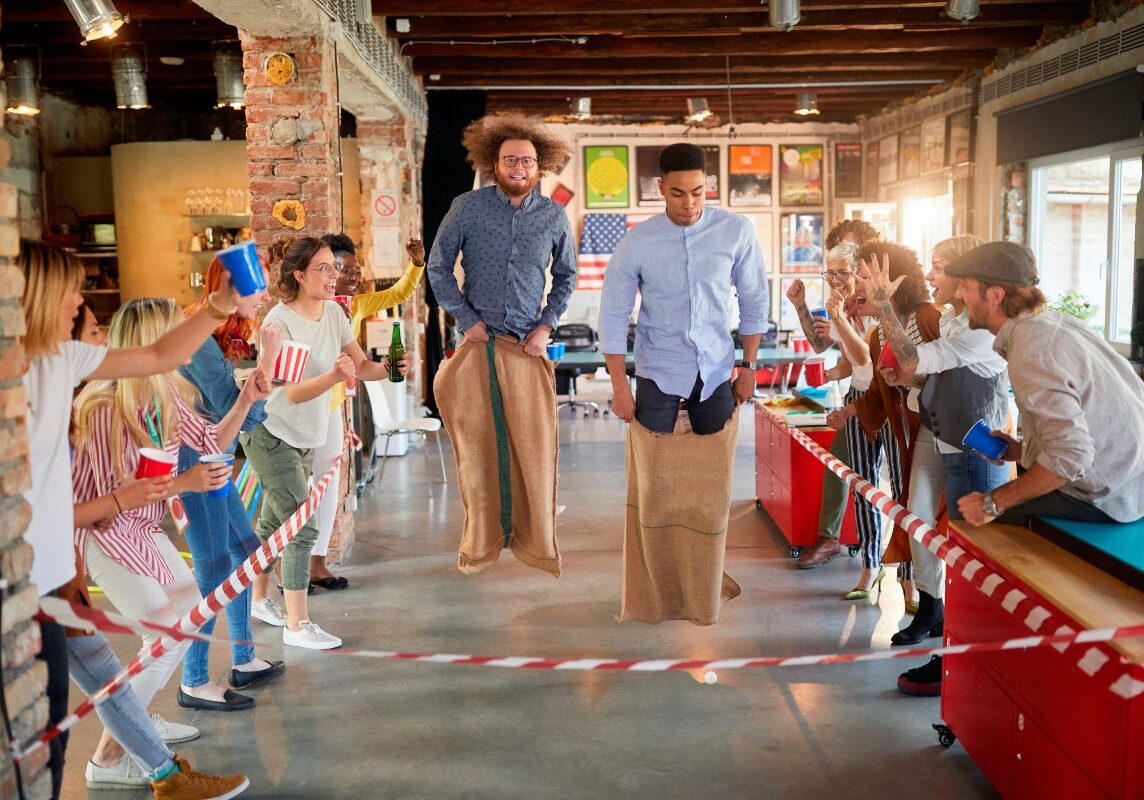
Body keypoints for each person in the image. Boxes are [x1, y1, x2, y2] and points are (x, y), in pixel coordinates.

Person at [20, 239, 249, 798]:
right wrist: (171, 487)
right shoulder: (97, 402)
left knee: (155, 639)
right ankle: (133, 755)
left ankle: (147, 757)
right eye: (71, 290)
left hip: (76, 557)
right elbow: (86, 509)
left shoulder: (86, 367)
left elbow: (164, 362)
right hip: (71, 552)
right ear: (38, 296)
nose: (81, 300)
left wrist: (222, 312)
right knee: (141, 649)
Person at [71, 298, 272, 772]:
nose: (189, 344)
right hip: (102, 536)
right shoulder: (102, 405)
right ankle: (107, 758)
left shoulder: (168, 392)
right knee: (166, 635)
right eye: (177, 334)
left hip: (142, 527)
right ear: (152, 343)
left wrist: (246, 399)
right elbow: (102, 505)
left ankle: (134, 720)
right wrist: (184, 484)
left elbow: (212, 446)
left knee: (183, 621)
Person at [599, 142, 768, 624]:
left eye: (697, 192)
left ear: (707, 186)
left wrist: (750, 367)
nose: (688, 203)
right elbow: (613, 314)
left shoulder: (735, 231)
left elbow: (755, 299)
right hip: (658, 372)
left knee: (710, 487)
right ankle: (657, 588)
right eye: (677, 193)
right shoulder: (637, 241)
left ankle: (703, 581)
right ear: (660, 190)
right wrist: (618, 385)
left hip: (716, 372)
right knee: (659, 488)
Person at [861, 235, 1012, 695]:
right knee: (921, 520)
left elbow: (922, 358)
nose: (932, 277)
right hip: (942, 430)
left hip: (972, 442)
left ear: (976, 284)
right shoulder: (952, 320)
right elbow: (929, 369)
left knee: (970, 548)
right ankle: (935, 614)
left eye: (941, 267)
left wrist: (885, 311)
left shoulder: (976, 330)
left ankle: (958, 662)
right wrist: (910, 377)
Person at [427, 112, 575, 576]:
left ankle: (536, 543)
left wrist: (546, 325)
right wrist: (466, 320)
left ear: (540, 166)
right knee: (478, 450)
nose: (518, 167)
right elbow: (437, 267)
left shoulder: (553, 216)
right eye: (510, 159)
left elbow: (567, 277)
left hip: (527, 351)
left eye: (527, 161)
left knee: (533, 449)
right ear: (494, 163)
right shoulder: (466, 208)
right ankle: (480, 544)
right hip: (478, 348)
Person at [242, 235, 399, 650]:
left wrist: (391, 369)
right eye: (325, 268)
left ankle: (258, 601)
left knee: (275, 523)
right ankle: (297, 625)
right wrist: (334, 375)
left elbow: (361, 366)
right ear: (299, 275)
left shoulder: (333, 313)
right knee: (300, 527)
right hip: (271, 432)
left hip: (305, 433)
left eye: (336, 267)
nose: (336, 275)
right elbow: (287, 392)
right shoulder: (279, 322)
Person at [948, 241, 1144, 527]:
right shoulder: (1050, 324)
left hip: (1109, 497)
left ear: (994, 295)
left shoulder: (1032, 350)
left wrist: (992, 503)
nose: (958, 294)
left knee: (970, 523)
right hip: (1131, 482)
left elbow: (1072, 457)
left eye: (965, 286)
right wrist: (1022, 449)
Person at [176, 258, 286, 711]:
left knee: (242, 553)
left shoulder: (218, 328)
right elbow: (228, 409)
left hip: (212, 453)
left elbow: (233, 405)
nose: (264, 294)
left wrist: (261, 375)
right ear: (229, 288)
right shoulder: (199, 332)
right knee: (214, 566)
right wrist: (272, 362)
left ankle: (242, 657)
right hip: (191, 457)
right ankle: (194, 681)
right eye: (257, 286)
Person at [787, 242, 908, 601]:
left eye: (842, 271)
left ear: (861, 271)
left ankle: (908, 576)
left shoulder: (878, 308)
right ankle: (868, 565)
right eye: (831, 272)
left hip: (890, 401)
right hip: (859, 399)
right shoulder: (840, 306)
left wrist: (839, 319)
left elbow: (867, 359)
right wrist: (827, 376)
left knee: (901, 491)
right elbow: (844, 358)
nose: (836, 279)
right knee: (857, 482)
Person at [306, 233, 425, 590]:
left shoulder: (352, 308)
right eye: (347, 270)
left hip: (331, 407)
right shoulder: (305, 308)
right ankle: (291, 570)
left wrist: (416, 265)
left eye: (358, 271)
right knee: (298, 493)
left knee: (327, 490)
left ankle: (317, 565)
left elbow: (398, 295)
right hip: (301, 409)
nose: (356, 277)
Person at [835, 242, 941, 616]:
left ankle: (930, 600)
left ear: (896, 279)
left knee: (928, 520)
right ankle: (928, 605)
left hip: (946, 442)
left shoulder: (931, 317)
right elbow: (882, 396)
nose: (857, 284)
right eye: (858, 276)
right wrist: (850, 411)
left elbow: (950, 380)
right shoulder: (879, 334)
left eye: (865, 276)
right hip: (914, 439)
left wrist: (909, 380)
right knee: (915, 513)